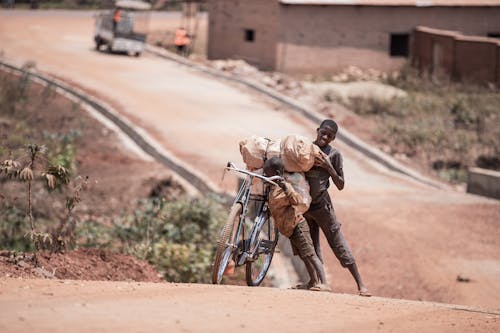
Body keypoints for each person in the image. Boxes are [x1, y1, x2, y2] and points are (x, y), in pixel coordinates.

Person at [305, 119, 371, 297]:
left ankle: (361, 285)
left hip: (322, 206)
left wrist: (329, 167)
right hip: (305, 207)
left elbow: (340, 184)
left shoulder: (334, 155)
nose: (324, 137)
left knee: (337, 243)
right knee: (310, 245)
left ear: (333, 139)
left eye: (329, 136)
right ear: (317, 130)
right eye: (323, 133)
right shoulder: (306, 149)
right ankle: (316, 281)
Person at [264, 157, 329, 291]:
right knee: (303, 255)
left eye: (267, 172)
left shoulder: (285, 185)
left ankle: (324, 283)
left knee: (310, 254)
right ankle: (312, 281)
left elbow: (297, 200)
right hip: (289, 229)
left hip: (297, 225)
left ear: (276, 172)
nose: (265, 175)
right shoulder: (271, 187)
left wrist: (285, 188)